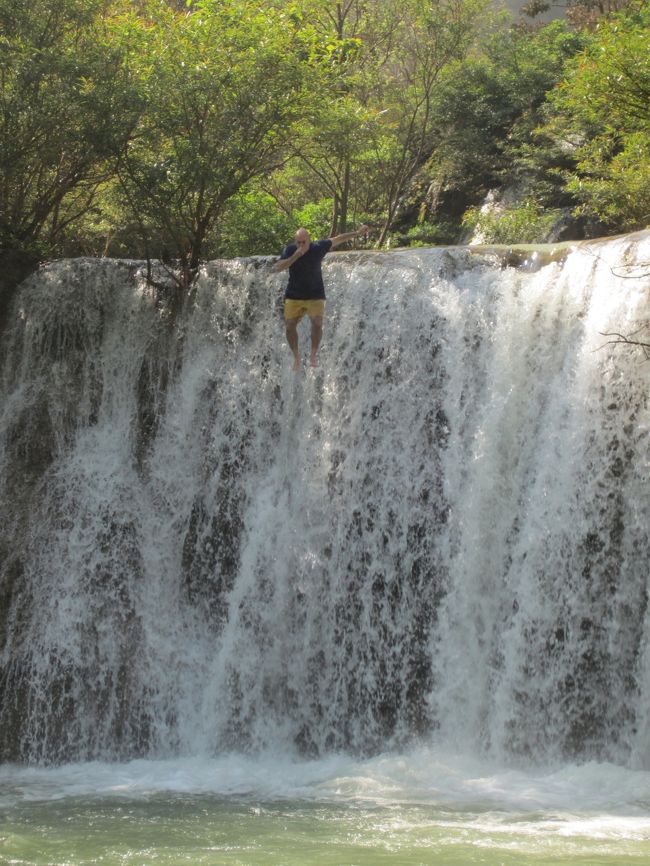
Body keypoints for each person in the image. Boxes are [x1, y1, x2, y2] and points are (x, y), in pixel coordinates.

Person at [273, 225, 369, 370]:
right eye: (298, 242)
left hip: (315, 294)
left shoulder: (318, 247)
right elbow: (279, 267)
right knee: (290, 326)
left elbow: (337, 239)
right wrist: (296, 256)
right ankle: (296, 355)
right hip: (294, 294)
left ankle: (313, 353)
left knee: (317, 323)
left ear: (309, 240)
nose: (300, 245)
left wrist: (357, 233)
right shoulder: (290, 250)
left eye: (303, 242)